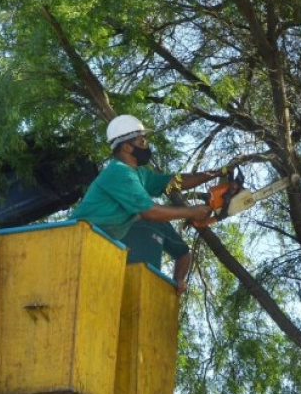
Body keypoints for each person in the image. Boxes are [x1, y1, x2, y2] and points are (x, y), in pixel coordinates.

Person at [70, 115, 220, 295]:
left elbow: (173, 182)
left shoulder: (139, 174)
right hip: (76, 240)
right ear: (127, 147)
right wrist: (191, 212)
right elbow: (150, 212)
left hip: (96, 244)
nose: (146, 145)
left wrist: (214, 174)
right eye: (142, 141)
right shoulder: (120, 173)